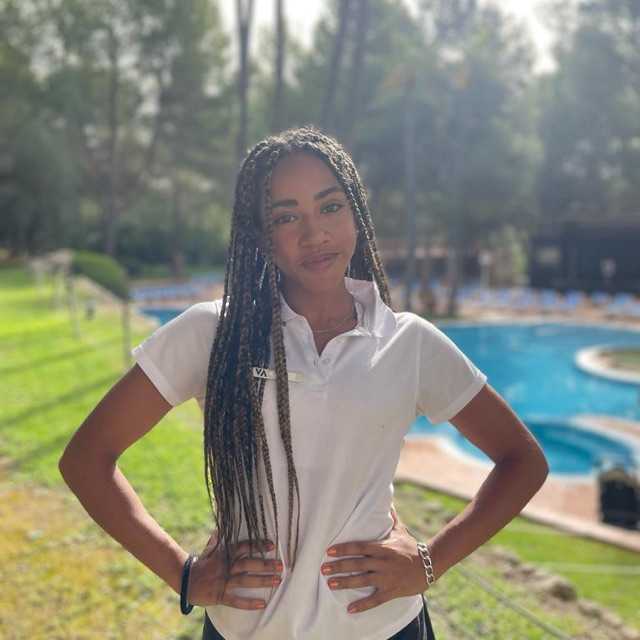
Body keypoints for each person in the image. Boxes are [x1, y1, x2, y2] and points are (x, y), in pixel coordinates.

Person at [59, 127, 549, 640]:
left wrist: (429, 562)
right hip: (247, 629)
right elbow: (87, 458)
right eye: (286, 216)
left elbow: (522, 461)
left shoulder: (409, 343)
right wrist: (183, 574)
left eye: (330, 207)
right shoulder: (214, 333)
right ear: (261, 234)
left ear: (356, 214)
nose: (315, 234)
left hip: (383, 627)